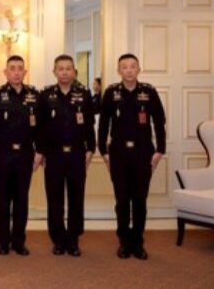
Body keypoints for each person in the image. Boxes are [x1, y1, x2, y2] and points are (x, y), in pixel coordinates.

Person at [98, 53, 166, 260]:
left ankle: (138, 242)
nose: (129, 70)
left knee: (139, 200)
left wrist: (159, 150)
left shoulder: (149, 92)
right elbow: (103, 125)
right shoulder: (111, 93)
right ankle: (124, 242)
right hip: (118, 154)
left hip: (142, 154)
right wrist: (104, 152)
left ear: (138, 69)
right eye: (124, 67)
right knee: (121, 201)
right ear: (119, 70)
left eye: (132, 66)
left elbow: (159, 122)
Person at [0, 55, 42, 256]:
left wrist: (39, 151)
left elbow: (41, 128)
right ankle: (2, 241)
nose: (16, 72)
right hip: (1, 155)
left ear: (25, 72)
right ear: (5, 72)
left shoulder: (34, 95)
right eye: (12, 68)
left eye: (20, 68)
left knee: (21, 200)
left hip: (25, 155)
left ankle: (19, 241)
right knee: (2, 201)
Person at [37, 55, 96, 257]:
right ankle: (58, 240)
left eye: (68, 68)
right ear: (55, 72)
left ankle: (73, 240)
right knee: (55, 200)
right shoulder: (45, 96)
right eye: (60, 69)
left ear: (74, 72)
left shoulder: (84, 94)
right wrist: (41, 152)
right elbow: (40, 128)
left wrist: (91, 149)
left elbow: (89, 125)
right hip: (53, 155)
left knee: (76, 199)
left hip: (77, 154)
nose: (64, 72)